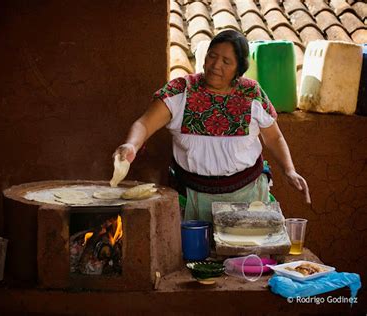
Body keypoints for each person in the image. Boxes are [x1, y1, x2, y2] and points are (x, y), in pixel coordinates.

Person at [113, 29, 311, 222]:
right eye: (212, 56)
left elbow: (273, 137)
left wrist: (289, 169)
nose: (216, 65)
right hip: (192, 198)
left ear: (239, 69)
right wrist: (132, 145)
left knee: (246, 253)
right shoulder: (181, 90)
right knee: (193, 254)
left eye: (226, 61)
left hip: (247, 197)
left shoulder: (251, 94)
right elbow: (144, 124)